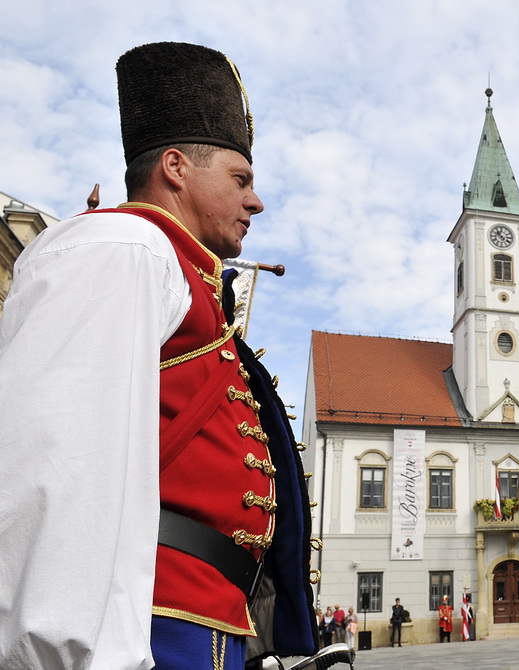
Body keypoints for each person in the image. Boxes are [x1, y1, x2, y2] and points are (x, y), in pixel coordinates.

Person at [0, 41, 317, 670]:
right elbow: (52, 467)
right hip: (139, 631)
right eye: (240, 179)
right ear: (176, 166)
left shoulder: (173, 270)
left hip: (198, 626)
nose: (256, 202)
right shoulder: (124, 248)